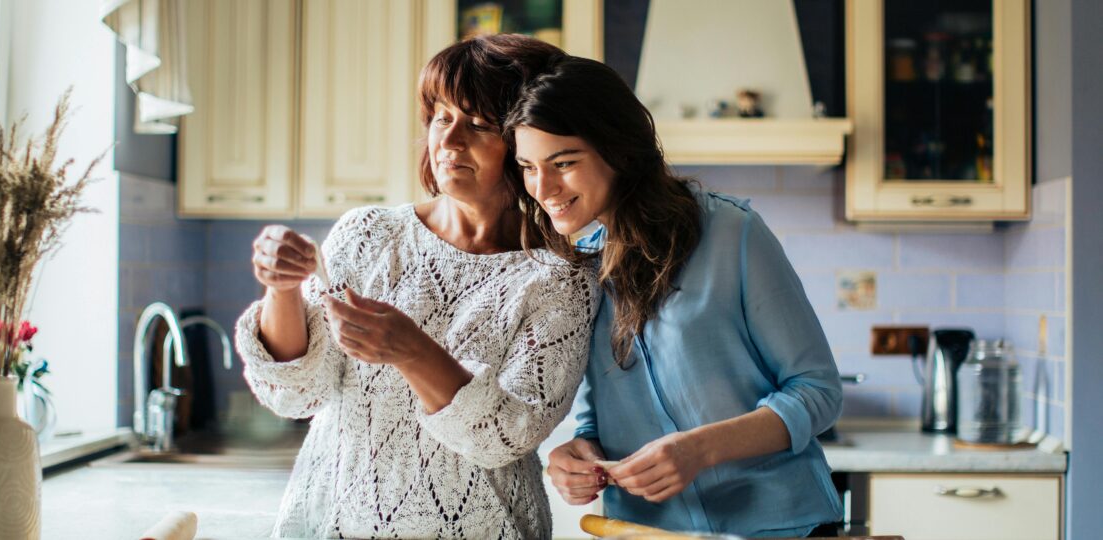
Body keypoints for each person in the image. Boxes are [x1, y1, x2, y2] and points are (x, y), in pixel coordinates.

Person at [235, 35, 598, 539]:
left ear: (525, 141)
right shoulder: (369, 235)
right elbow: (295, 394)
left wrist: (412, 352)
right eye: (441, 117)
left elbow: (506, 435)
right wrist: (282, 289)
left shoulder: (561, 278)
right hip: (334, 523)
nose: (448, 143)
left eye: (477, 125)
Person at [505, 56, 845, 538]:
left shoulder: (732, 233)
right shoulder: (571, 265)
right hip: (647, 531)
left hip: (781, 526)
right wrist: (579, 452)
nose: (543, 188)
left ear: (618, 150)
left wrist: (699, 450)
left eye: (564, 163)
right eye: (527, 167)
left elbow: (818, 392)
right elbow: (597, 410)